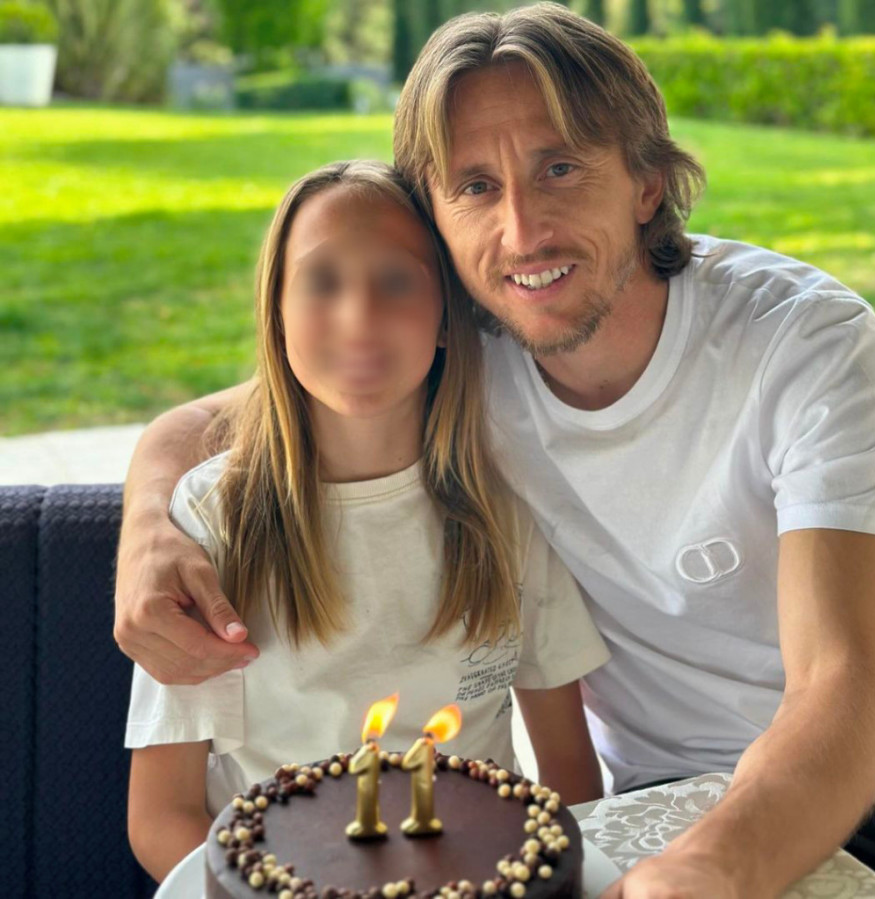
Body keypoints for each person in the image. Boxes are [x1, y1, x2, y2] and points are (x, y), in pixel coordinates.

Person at [115, 5, 875, 895]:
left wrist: (705, 868)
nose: (523, 232)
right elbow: (223, 421)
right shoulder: (467, 349)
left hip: (856, 797)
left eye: (559, 168)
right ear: (439, 220)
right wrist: (148, 531)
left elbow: (843, 683)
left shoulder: (802, 342)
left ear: (648, 183)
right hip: (652, 804)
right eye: (476, 186)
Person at [123, 160, 608, 883]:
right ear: (276, 315)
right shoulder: (211, 522)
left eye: (396, 281)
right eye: (323, 281)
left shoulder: (507, 508)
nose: (359, 314)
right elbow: (162, 816)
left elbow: (570, 774)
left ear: (446, 320)